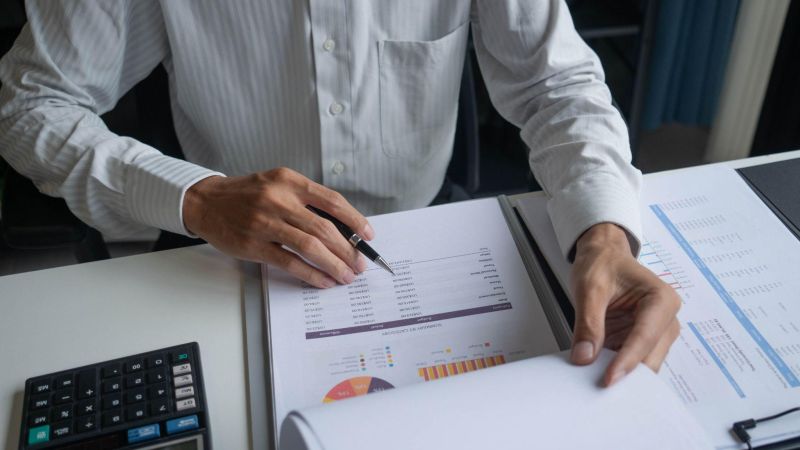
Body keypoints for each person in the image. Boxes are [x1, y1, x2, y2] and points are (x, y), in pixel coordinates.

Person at [0, 1, 679, 386]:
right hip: (224, 262)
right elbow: (30, 105)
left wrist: (604, 233)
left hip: (422, 244)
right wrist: (200, 199)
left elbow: (555, 85)